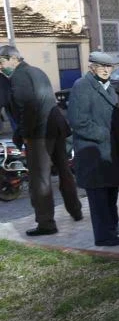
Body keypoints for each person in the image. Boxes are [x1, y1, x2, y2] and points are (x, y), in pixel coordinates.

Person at [0, 45, 82, 235]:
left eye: (2, 62)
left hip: (39, 132)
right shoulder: (36, 71)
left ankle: (46, 224)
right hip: (56, 127)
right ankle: (75, 210)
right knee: (64, 172)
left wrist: (24, 135)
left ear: (14, 58)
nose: (1, 67)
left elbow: (27, 109)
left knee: (40, 180)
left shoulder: (20, 77)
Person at [67, 51, 119, 246]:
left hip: (109, 152)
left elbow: (112, 118)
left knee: (111, 193)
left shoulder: (108, 87)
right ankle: (103, 236)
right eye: (101, 66)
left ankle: (112, 227)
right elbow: (79, 122)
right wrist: (105, 134)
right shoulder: (82, 87)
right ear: (91, 67)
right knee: (99, 197)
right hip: (93, 153)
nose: (106, 70)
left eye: (109, 66)